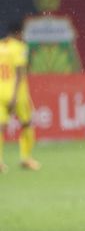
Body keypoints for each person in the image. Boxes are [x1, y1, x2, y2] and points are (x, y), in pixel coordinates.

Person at [0, 20, 40, 173]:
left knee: (1, 127)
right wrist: (14, 96)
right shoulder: (20, 48)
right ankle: (25, 158)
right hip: (17, 93)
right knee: (27, 123)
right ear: (18, 33)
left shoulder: (0, 47)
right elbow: (19, 73)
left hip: (0, 91)